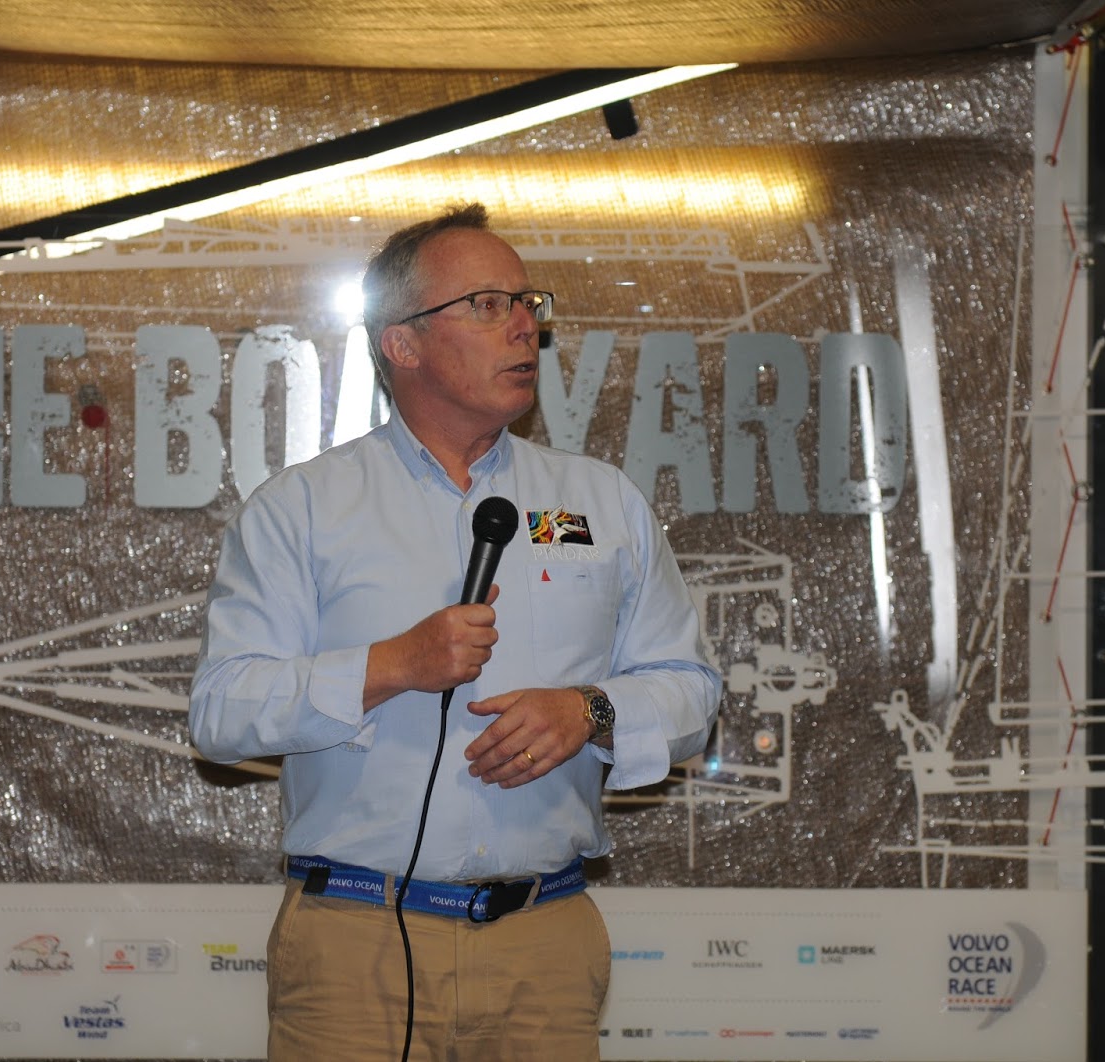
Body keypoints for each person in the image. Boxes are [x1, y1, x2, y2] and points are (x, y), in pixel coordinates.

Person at [188, 203, 721, 1061]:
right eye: (487, 305)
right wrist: (391, 665)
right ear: (402, 343)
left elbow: (690, 689)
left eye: (528, 303)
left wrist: (589, 710)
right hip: (354, 950)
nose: (525, 327)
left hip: (544, 949)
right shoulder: (304, 509)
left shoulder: (598, 503)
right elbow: (222, 713)